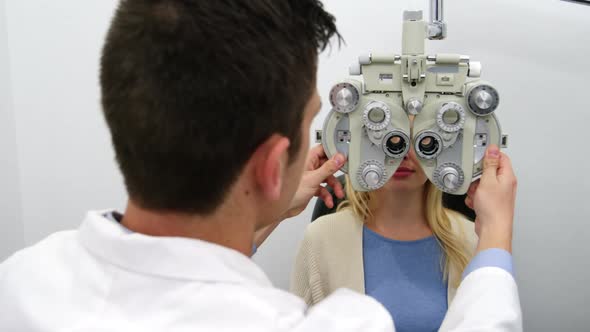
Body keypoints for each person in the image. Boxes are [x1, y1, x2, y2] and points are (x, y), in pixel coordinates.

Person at [0, 1, 521, 331]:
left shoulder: (20, 282)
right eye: (312, 121)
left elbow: (174, 284)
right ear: (275, 165)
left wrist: (263, 214)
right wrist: (496, 236)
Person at [292, 140, 479, 332]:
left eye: (420, 139)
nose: (402, 153)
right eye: (390, 136)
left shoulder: (473, 240)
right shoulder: (322, 238)